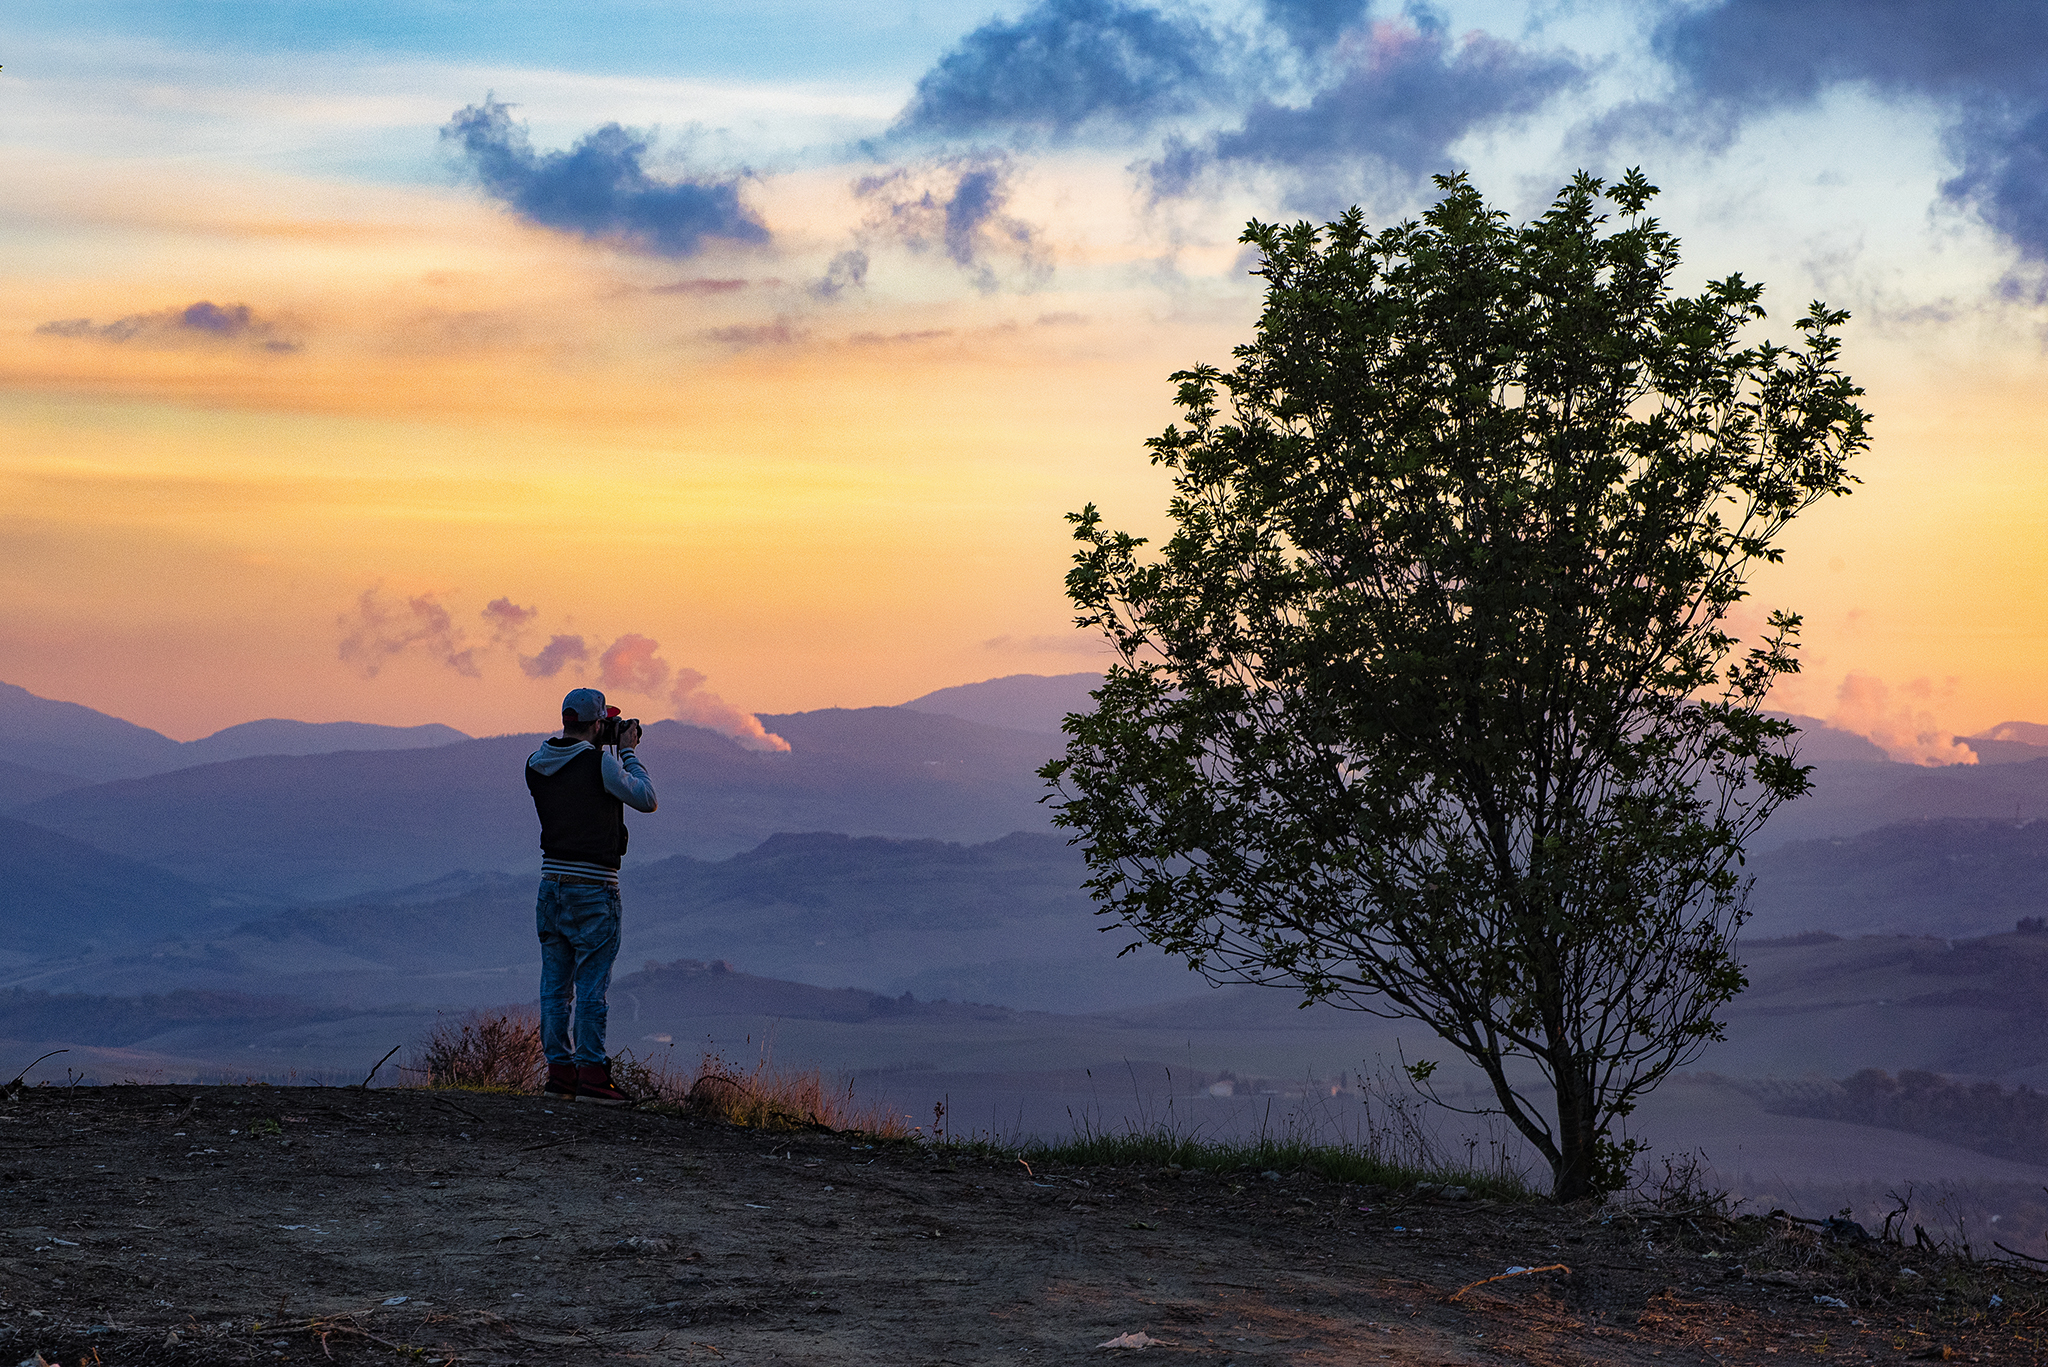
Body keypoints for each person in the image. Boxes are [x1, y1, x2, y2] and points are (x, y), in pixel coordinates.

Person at [525, 687, 658, 1104]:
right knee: (591, 989)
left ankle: (560, 1076)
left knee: (554, 989)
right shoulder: (601, 762)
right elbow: (646, 799)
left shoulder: (536, 764)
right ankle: (594, 1078)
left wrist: (601, 742)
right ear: (598, 723)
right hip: (595, 888)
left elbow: (571, 765)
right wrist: (628, 751)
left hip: (551, 887)